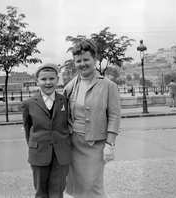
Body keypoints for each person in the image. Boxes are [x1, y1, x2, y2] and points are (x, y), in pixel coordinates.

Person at [63, 39, 121, 198]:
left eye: (86, 59)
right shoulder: (70, 85)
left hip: (95, 144)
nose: (82, 64)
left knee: (92, 187)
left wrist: (110, 144)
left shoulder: (108, 86)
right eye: (78, 61)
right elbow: (59, 110)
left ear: (94, 59)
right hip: (73, 143)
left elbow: (114, 116)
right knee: (77, 187)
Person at [22, 63, 71, 198]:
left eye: (51, 79)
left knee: (57, 192)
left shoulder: (66, 101)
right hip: (38, 154)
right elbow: (28, 128)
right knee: (41, 192)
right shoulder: (29, 103)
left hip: (61, 154)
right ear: (37, 81)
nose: (48, 83)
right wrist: (35, 147)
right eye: (43, 79)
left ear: (57, 80)